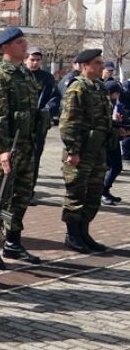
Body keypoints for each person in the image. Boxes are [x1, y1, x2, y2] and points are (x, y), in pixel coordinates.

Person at [0, 27, 42, 267]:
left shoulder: (25, 74)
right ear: (6, 47)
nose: (24, 45)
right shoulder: (0, 76)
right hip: (6, 150)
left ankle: (13, 243)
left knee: (21, 197)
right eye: (19, 42)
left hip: (25, 147)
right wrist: (2, 150)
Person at [60, 49, 114, 253]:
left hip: (97, 151)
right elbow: (68, 123)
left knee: (93, 193)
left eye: (101, 63)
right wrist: (73, 151)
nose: (102, 66)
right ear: (85, 67)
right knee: (76, 194)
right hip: (80, 153)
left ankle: (84, 233)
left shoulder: (99, 88)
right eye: (97, 63)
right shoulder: (77, 89)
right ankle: (72, 235)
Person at [24, 46, 60, 196]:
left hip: (38, 126)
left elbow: (55, 98)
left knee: (34, 159)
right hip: (21, 125)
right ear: (26, 59)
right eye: (32, 59)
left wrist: (45, 112)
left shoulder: (47, 78)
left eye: (38, 60)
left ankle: (29, 191)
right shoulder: (18, 75)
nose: (35, 62)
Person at [102, 79, 124, 205]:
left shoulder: (114, 103)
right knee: (112, 166)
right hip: (106, 139)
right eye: (117, 93)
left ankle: (105, 190)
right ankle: (102, 191)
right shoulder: (104, 103)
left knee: (115, 166)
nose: (118, 96)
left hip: (113, 138)